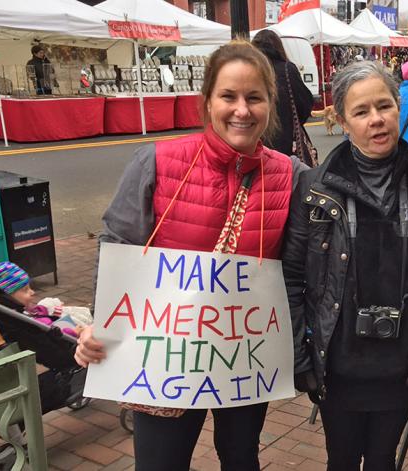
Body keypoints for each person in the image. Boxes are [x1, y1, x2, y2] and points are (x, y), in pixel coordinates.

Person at [74, 41, 308, 471]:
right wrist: (101, 323)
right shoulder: (157, 161)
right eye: (229, 96)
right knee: (161, 462)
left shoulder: (289, 175)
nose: (242, 110)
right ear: (207, 101)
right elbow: (118, 245)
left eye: (254, 97)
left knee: (241, 458)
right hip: (166, 357)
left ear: (270, 104)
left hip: (243, 357)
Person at [282, 60, 408, 470]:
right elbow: (290, 276)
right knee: (340, 459)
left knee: (381, 460)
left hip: (403, 365)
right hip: (337, 363)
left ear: (399, 106)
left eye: (384, 106)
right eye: (361, 112)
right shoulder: (314, 188)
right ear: (341, 120)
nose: (376, 120)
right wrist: (301, 357)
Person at [251, 30, 315, 161]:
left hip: (255, 140)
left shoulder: (251, 70)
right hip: (285, 142)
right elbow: (305, 103)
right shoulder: (287, 69)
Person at [0, 261, 92, 337]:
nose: (32, 292)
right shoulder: (27, 322)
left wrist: (44, 308)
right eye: (25, 290)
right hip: (64, 336)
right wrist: (73, 332)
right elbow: (57, 336)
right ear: (8, 297)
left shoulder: (21, 310)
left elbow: (35, 311)